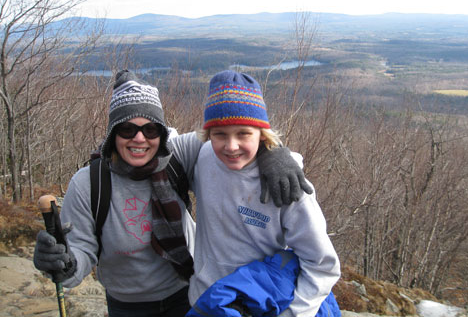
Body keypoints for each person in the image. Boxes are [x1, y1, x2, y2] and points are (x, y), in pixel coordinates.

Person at [33, 70, 314, 317]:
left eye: (151, 129)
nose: (140, 138)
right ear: (112, 136)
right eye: (127, 129)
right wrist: (65, 264)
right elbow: (82, 251)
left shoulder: (177, 155)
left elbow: (235, 132)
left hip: (186, 293)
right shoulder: (90, 184)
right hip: (127, 305)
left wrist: (276, 155)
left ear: (163, 134)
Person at [186, 70, 341, 317]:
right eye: (220, 134)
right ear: (208, 135)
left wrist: (293, 314)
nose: (231, 146)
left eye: (244, 133)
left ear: (262, 132)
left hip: (255, 307)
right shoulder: (203, 157)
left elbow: (322, 265)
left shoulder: (287, 186)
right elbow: (157, 144)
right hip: (204, 301)